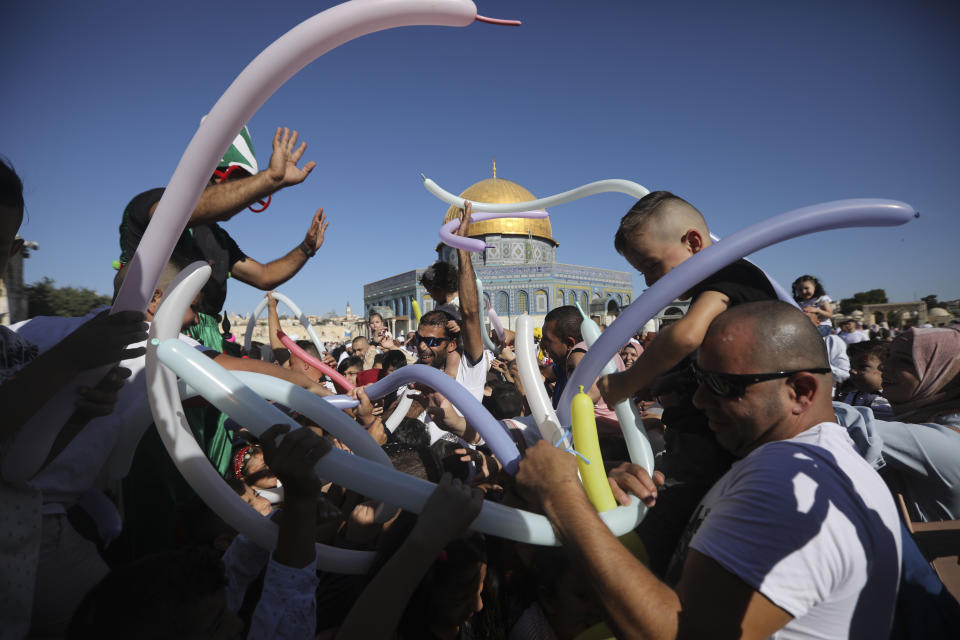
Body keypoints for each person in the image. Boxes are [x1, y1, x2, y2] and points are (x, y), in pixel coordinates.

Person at [517, 301, 902, 639]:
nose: (700, 400)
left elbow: (679, 633)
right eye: (698, 380)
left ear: (801, 391)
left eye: (721, 385)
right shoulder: (807, 460)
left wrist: (562, 496)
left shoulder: (790, 484)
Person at [597, 191, 779, 573]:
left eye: (650, 265)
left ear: (693, 243)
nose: (647, 281)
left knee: (666, 535)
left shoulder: (730, 275)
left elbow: (685, 337)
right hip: (702, 440)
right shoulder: (716, 284)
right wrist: (661, 382)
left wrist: (626, 383)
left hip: (718, 447)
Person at [67, 424, 329, 639]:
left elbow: (234, 573)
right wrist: (300, 505)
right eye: (216, 626)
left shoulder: (202, 601)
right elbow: (286, 608)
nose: (237, 625)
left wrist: (290, 516)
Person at [117, 125, 327, 353]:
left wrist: (306, 248)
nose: (246, 195)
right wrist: (270, 179)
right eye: (238, 182)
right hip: (150, 341)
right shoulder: (152, 204)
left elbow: (266, 276)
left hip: (206, 346)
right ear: (211, 176)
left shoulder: (219, 239)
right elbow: (188, 211)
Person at [844, 340, 893, 419]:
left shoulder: (886, 403)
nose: (852, 371)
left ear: (886, 370)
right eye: (851, 366)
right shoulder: (853, 394)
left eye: (862, 367)